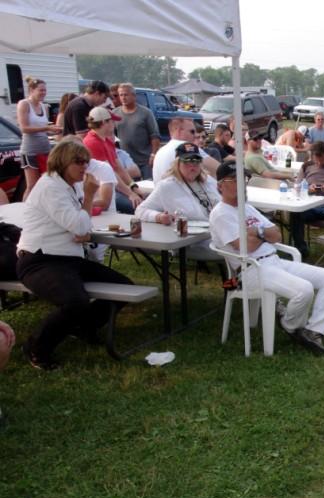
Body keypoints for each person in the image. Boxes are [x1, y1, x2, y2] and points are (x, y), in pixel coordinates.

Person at [16, 140, 135, 370]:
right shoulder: (50, 187)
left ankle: (82, 328)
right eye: (78, 162)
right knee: (75, 301)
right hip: (40, 260)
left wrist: (82, 225)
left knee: (124, 287)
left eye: (86, 162)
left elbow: (82, 226)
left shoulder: (70, 185)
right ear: (62, 162)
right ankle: (36, 348)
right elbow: (80, 226)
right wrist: (89, 199)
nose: (85, 167)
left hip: (67, 258)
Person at [210, 161, 324, 356]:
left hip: (272, 260)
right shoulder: (221, 214)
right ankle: (290, 324)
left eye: (243, 179)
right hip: (250, 270)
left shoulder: (248, 208)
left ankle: (313, 331)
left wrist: (256, 231)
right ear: (220, 185)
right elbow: (246, 246)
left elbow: (276, 234)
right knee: (303, 290)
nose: (241, 183)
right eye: (234, 179)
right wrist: (261, 235)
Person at [135, 142, 222, 261]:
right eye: (187, 162)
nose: (193, 166)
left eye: (196, 161)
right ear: (177, 164)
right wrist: (159, 217)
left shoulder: (208, 181)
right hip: (193, 242)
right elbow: (141, 210)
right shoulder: (167, 186)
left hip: (218, 232)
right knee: (237, 250)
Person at [82, 107, 144, 213]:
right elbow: (110, 173)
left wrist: (133, 186)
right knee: (139, 207)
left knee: (144, 202)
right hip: (102, 191)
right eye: (111, 121)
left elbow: (119, 168)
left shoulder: (106, 140)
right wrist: (130, 194)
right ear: (103, 122)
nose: (114, 124)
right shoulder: (92, 142)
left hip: (113, 187)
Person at [17, 76, 62, 201]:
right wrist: (47, 129)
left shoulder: (43, 106)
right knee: (32, 186)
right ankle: (24, 211)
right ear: (31, 90)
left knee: (46, 184)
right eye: (41, 90)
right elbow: (24, 128)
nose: (43, 93)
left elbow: (44, 127)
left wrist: (54, 129)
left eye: (45, 90)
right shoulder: (24, 104)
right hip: (30, 150)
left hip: (45, 149)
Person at [113, 83, 160, 179]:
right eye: (121, 95)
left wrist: (153, 154)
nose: (123, 98)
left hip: (145, 160)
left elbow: (155, 135)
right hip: (126, 161)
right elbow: (111, 137)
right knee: (132, 189)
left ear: (134, 96)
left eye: (126, 94)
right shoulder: (115, 114)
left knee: (148, 188)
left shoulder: (146, 113)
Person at [152, 117, 219, 182]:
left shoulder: (160, 151)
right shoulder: (187, 146)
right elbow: (218, 169)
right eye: (192, 132)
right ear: (179, 130)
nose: (195, 135)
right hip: (182, 192)